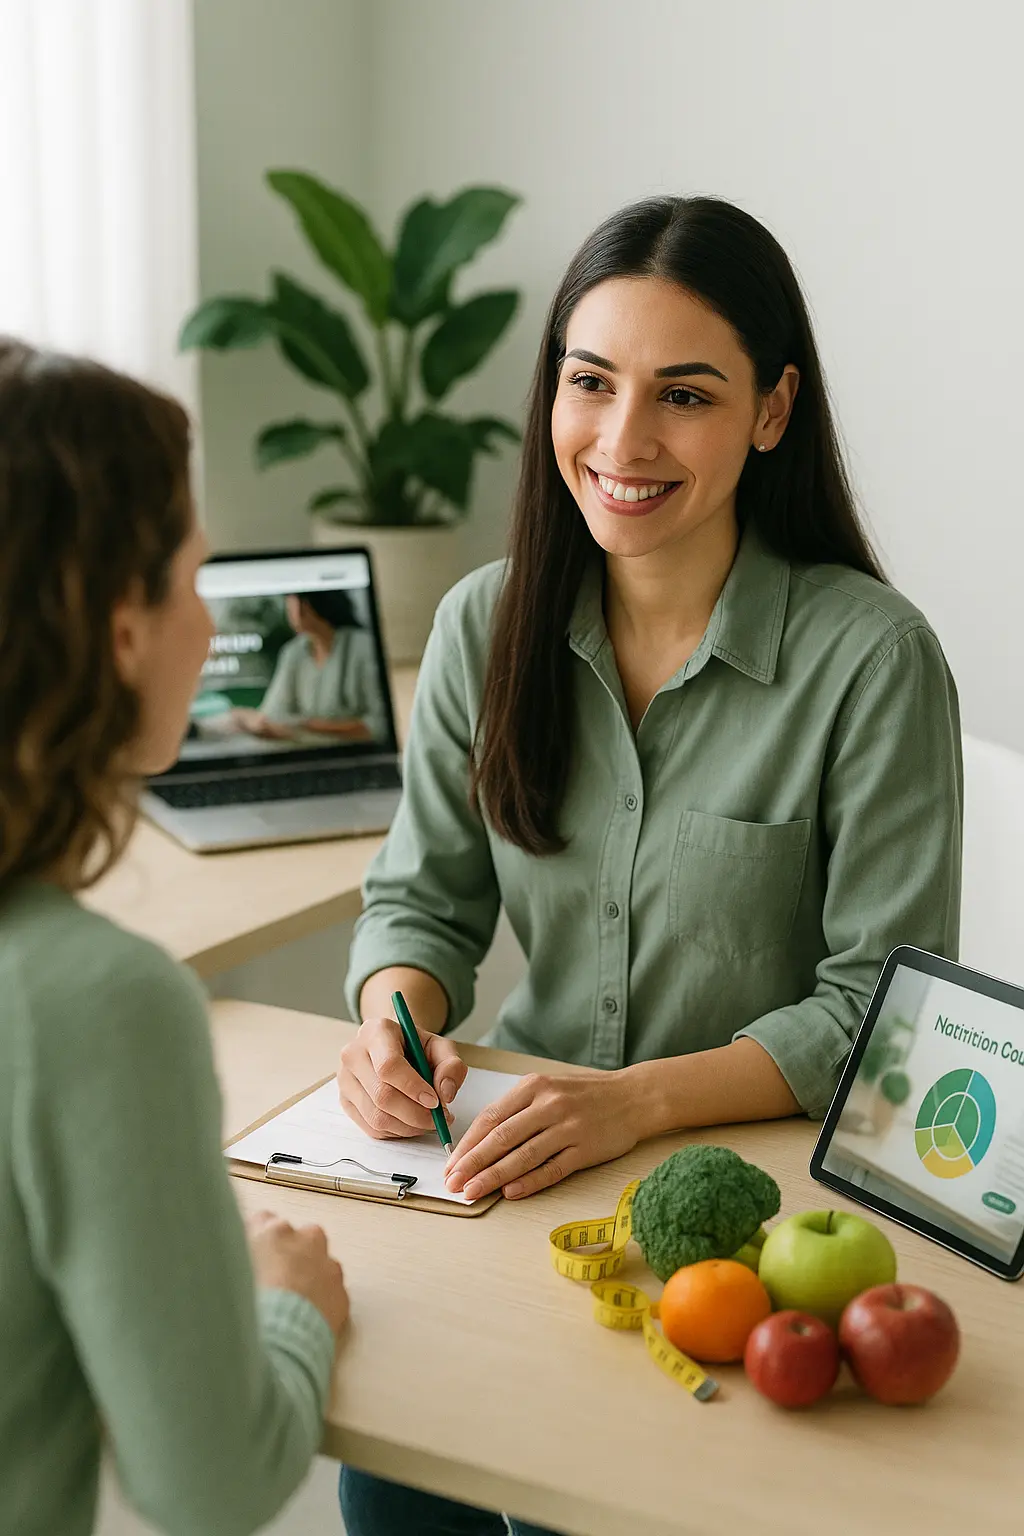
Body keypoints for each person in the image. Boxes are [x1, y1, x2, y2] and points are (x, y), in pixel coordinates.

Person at [334, 196, 963, 1535]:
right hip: (510, 1177)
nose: (623, 442)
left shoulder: (872, 659)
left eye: (685, 395)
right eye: (590, 383)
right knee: (389, 1478)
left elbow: (881, 1018)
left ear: (772, 410)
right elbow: (423, 903)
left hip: (763, 1220)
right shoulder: (480, 623)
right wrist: (394, 1020)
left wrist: (634, 1104)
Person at [0, 339, 349, 1536]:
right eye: (193, 580)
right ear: (117, 628)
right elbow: (211, 1483)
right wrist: (292, 1304)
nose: (209, 628)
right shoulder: (88, 1001)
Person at [231, 588, 387, 744]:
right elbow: (274, 712)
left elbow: (379, 724)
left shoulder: (363, 646)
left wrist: (307, 725)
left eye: (290, 601)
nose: (288, 610)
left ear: (305, 605)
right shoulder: (294, 651)